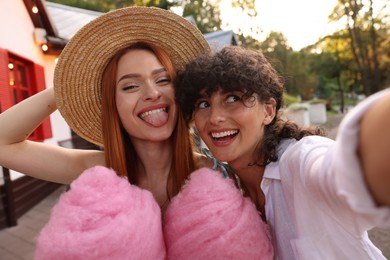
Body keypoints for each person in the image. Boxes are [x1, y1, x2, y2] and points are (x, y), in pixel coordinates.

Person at [0, 7, 274, 259]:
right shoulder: (97, 170)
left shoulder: (219, 174)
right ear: (114, 105)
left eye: (163, 80)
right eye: (130, 86)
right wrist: (65, 87)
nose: (152, 93)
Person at [176, 45, 390, 259]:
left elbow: (342, 169)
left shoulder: (300, 160)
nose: (214, 118)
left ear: (268, 111)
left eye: (232, 99)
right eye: (203, 104)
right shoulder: (224, 190)